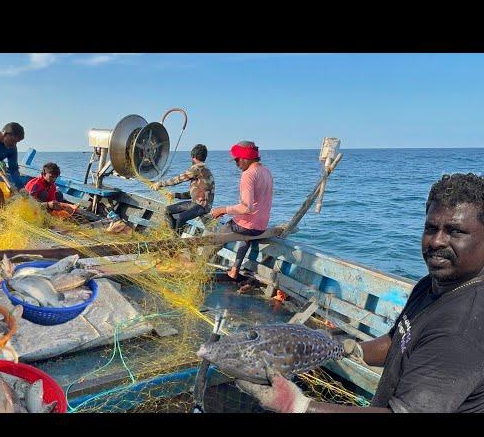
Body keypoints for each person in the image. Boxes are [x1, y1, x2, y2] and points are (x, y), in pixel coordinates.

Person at [237, 173, 484, 413]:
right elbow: (397, 342)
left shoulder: (462, 330)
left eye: (455, 231)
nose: (437, 241)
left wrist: (298, 406)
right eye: (431, 228)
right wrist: (344, 348)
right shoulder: (434, 284)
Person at [211, 141, 273, 281]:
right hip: (261, 227)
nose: (236, 164)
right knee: (245, 235)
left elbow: (247, 207)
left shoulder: (248, 174)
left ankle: (199, 266)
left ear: (245, 158)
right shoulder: (267, 172)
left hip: (248, 226)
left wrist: (223, 209)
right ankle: (234, 270)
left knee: (221, 233)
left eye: (237, 160)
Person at [151, 144, 215, 234]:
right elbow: (194, 193)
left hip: (200, 207)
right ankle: (173, 236)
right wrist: (175, 195)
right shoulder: (206, 170)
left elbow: (178, 179)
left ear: (193, 157)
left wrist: (160, 184)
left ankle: (175, 240)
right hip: (197, 205)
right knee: (167, 211)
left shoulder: (197, 168)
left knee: (180, 217)